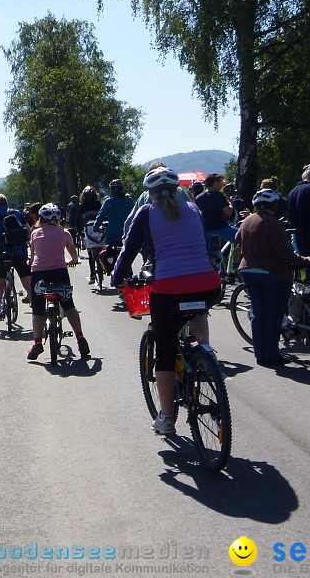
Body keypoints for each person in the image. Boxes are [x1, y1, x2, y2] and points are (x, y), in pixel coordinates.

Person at [112, 168, 221, 435]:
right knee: (198, 311)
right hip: (209, 284)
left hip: (169, 287)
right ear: (177, 190)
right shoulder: (194, 209)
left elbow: (129, 250)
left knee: (165, 352)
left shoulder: (146, 213)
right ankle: (205, 357)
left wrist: (118, 278)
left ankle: (166, 417)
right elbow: (205, 245)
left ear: (150, 193)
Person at [235, 189, 310, 367]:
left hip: (249, 271)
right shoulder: (273, 223)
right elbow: (285, 252)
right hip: (272, 273)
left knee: (258, 313)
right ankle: (271, 355)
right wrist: (303, 261)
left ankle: (261, 355)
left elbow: (237, 237)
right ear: (275, 205)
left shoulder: (248, 220)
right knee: (273, 314)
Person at [26, 203, 90, 360]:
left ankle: (37, 343)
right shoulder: (64, 233)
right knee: (69, 306)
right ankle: (80, 338)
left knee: (38, 310)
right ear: (58, 219)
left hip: (39, 273)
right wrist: (73, 261)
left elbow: (33, 256)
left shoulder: (35, 233)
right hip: (59, 272)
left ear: (40, 218)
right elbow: (74, 255)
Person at [0, 193, 32, 321]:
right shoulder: (17, 213)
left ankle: (0, 308)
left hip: (4, 254)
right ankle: (35, 305)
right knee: (27, 281)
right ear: (7, 202)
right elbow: (29, 231)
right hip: (20, 253)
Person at [92, 179, 136, 289]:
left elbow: (100, 217)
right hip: (127, 234)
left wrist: (95, 227)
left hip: (112, 235)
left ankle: (112, 271)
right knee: (127, 254)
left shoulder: (109, 201)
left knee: (109, 251)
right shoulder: (129, 201)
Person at [196, 173, 237, 244]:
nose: (222, 185)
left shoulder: (198, 198)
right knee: (244, 236)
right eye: (220, 182)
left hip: (205, 232)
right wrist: (231, 204)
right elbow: (229, 213)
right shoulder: (218, 195)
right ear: (215, 182)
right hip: (222, 229)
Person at [77, 186, 102, 284]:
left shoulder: (82, 206)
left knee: (90, 253)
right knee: (102, 247)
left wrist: (79, 231)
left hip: (88, 231)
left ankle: (92, 274)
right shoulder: (98, 204)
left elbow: (78, 220)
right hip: (99, 229)